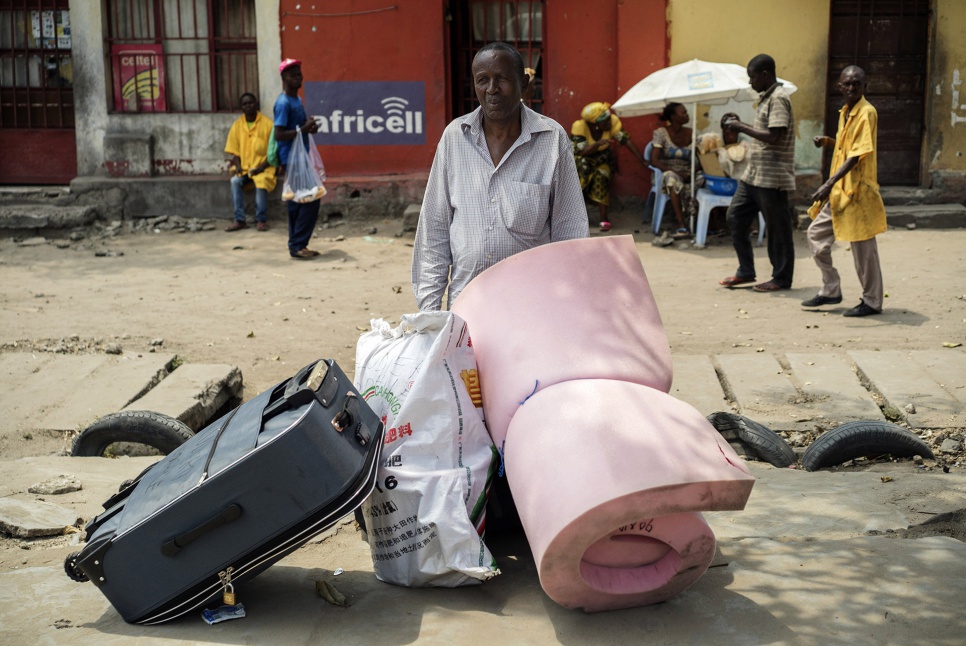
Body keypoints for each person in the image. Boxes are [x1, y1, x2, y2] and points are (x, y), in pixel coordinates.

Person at [411, 42, 588, 311]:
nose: (492, 89)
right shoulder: (454, 137)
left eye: (502, 79)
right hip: (467, 308)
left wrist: (566, 307)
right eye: (483, 80)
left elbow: (570, 232)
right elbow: (433, 233)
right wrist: (429, 315)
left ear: (524, 83)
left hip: (532, 306)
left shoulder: (552, 139)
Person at [802, 66, 886, 317]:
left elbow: (858, 154)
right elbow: (847, 145)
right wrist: (829, 142)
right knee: (815, 235)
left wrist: (827, 183)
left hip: (858, 192)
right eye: (847, 84)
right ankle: (831, 289)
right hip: (840, 191)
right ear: (840, 87)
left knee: (864, 253)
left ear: (864, 86)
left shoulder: (867, 112)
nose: (851, 88)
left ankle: (872, 302)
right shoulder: (845, 112)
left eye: (856, 84)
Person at [718, 54, 797, 293]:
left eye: (752, 77)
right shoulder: (766, 98)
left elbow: (774, 135)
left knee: (777, 228)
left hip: (772, 176)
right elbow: (763, 130)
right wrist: (739, 123)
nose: (750, 82)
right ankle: (746, 271)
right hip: (754, 175)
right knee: (735, 216)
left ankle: (781, 278)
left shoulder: (779, 98)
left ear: (765, 75)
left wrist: (740, 127)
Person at [274, 58, 322, 260]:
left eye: (299, 74)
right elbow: (279, 134)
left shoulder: (297, 100)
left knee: (297, 200)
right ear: (284, 78)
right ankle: (298, 243)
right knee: (310, 199)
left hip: (300, 155)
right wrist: (302, 129)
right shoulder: (283, 102)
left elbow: (299, 126)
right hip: (291, 158)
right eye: (293, 75)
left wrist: (310, 126)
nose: (298, 78)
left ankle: (296, 244)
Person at [571, 102, 646, 232]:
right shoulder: (580, 127)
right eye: (605, 122)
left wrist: (642, 159)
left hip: (603, 159)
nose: (609, 124)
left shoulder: (612, 122)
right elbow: (580, 151)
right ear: (595, 123)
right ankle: (574, 217)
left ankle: (604, 219)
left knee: (602, 175)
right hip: (583, 159)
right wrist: (597, 144)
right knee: (579, 176)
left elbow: (625, 140)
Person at [224, 92, 276, 232]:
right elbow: (234, 151)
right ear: (241, 107)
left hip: (263, 167)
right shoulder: (237, 125)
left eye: (250, 103)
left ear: (256, 104)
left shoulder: (268, 124)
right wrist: (239, 166)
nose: (248, 106)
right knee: (235, 181)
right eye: (245, 104)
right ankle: (240, 220)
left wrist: (261, 167)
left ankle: (261, 219)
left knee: (261, 181)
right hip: (245, 168)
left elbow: (273, 152)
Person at [650, 102, 702, 235]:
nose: (687, 115)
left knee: (704, 178)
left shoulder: (692, 133)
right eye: (683, 112)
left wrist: (692, 172)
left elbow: (703, 159)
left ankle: (702, 223)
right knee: (671, 179)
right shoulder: (661, 133)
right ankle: (681, 223)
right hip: (668, 170)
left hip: (688, 171)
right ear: (673, 117)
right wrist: (676, 172)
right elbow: (654, 160)